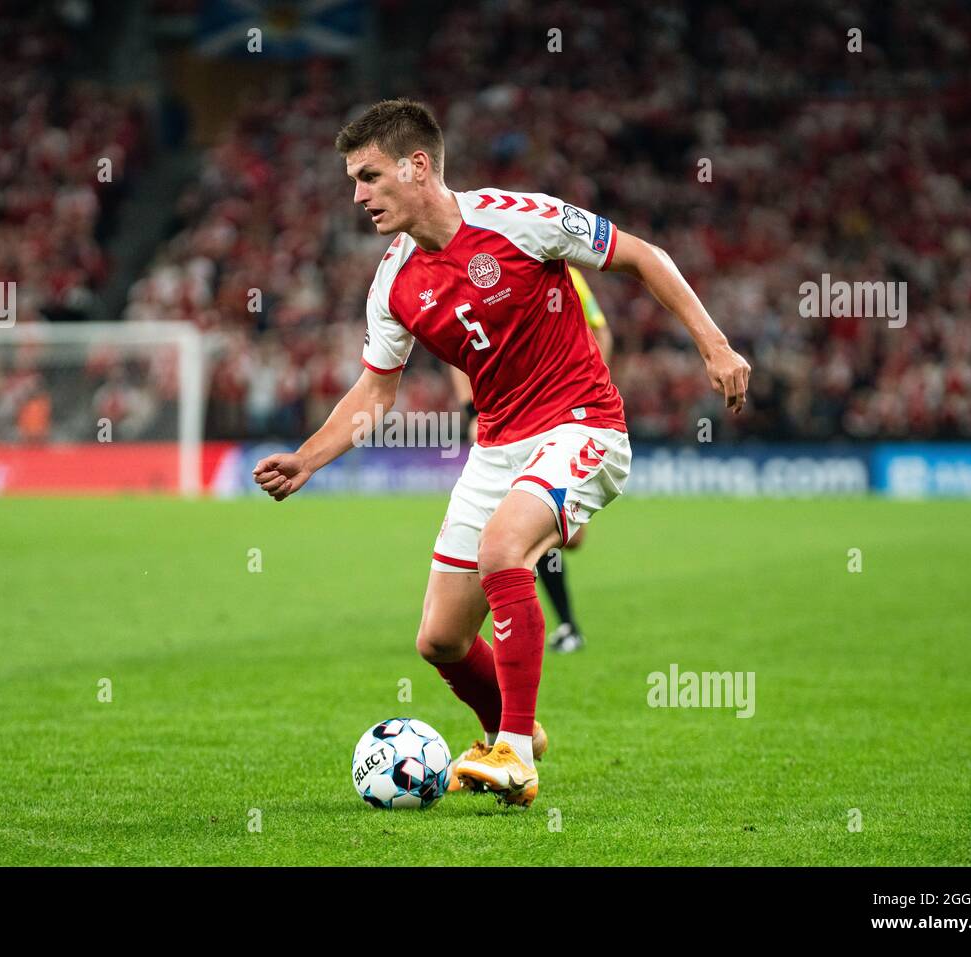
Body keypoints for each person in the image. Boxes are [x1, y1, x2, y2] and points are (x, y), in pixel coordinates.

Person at [253, 99, 750, 807]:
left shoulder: (517, 217)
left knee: (503, 548)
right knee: (440, 639)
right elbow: (373, 393)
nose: (357, 196)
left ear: (416, 165)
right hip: (497, 447)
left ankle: (516, 755)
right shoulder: (393, 283)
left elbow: (641, 255)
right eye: (353, 181)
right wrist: (307, 459)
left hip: (582, 425)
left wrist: (715, 343)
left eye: (367, 176)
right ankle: (512, 729)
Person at [449, 265, 612, 655]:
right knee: (520, 531)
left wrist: (590, 382)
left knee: (562, 538)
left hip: (563, 414)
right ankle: (552, 626)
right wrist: (470, 413)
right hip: (508, 425)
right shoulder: (479, 279)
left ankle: (542, 623)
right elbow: (459, 356)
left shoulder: (561, 272)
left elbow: (601, 330)